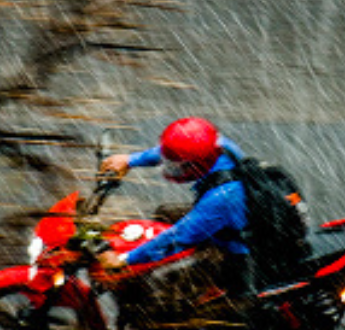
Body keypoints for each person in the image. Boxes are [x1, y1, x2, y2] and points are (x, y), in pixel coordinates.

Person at [97, 116, 251, 296]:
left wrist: (125, 259)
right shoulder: (218, 147)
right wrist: (130, 160)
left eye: (179, 166)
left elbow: (178, 237)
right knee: (164, 214)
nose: (172, 168)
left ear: (197, 164)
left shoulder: (222, 198)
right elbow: (172, 153)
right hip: (234, 218)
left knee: (165, 283)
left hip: (237, 253)